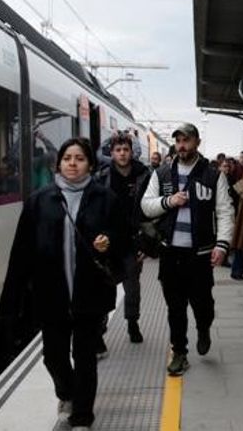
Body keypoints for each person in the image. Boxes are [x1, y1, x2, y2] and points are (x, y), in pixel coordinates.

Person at [0, 137, 129, 431]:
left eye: (79, 158)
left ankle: (82, 416)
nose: (72, 163)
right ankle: (67, 394)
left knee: (85, 358)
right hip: (50, 296)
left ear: (90, 165)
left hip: (90, 294)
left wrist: (110, 241)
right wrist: (11, 300)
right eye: (67, 158)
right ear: (59, 163)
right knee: (53, 357)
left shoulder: (105, 198)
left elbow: (124, 236)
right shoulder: (40, 200)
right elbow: (21, 252)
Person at [141, 123, 234, 376]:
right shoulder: (161, 174)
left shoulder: (214, 175)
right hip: (170, 253)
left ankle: (203, 328)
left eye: (187, 140)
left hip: (200, 254)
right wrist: (169, 201)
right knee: (175, 306)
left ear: (197, 143)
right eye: (179, 140)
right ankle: (180, 352)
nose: (182, 145)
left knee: (203, 304)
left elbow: (225, 212)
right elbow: (146, 206)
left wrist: (222, 245)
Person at [95, 132, 152, 344]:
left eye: (126, 150)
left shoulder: (143, 175)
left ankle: (132, 323)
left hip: (132, 241)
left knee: (132, 287)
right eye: (118, 150)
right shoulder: (102, 175)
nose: (122, 154)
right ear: (111, 153)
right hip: (107, 241)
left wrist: (145, 243)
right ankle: (99, 330)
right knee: (102, 287)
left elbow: (149, 211)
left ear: (132, 152)